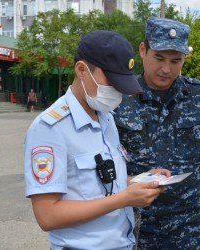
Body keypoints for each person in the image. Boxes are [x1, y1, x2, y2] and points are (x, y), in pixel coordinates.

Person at [24, 30, 170, 250]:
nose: (118, 93)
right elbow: (48, 216)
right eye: (112, 83)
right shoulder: (50, 128)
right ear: (82, 70)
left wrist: (141, 181)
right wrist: (124, 199)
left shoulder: (105, 118)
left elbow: (100, 182)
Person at [114, 18, 200, 249]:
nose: (167, 69)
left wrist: (185, 180)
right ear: (143, 51)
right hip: (134, 225)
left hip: (188, 226)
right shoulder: (120, 98)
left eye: (176, 61)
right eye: (159, 58)